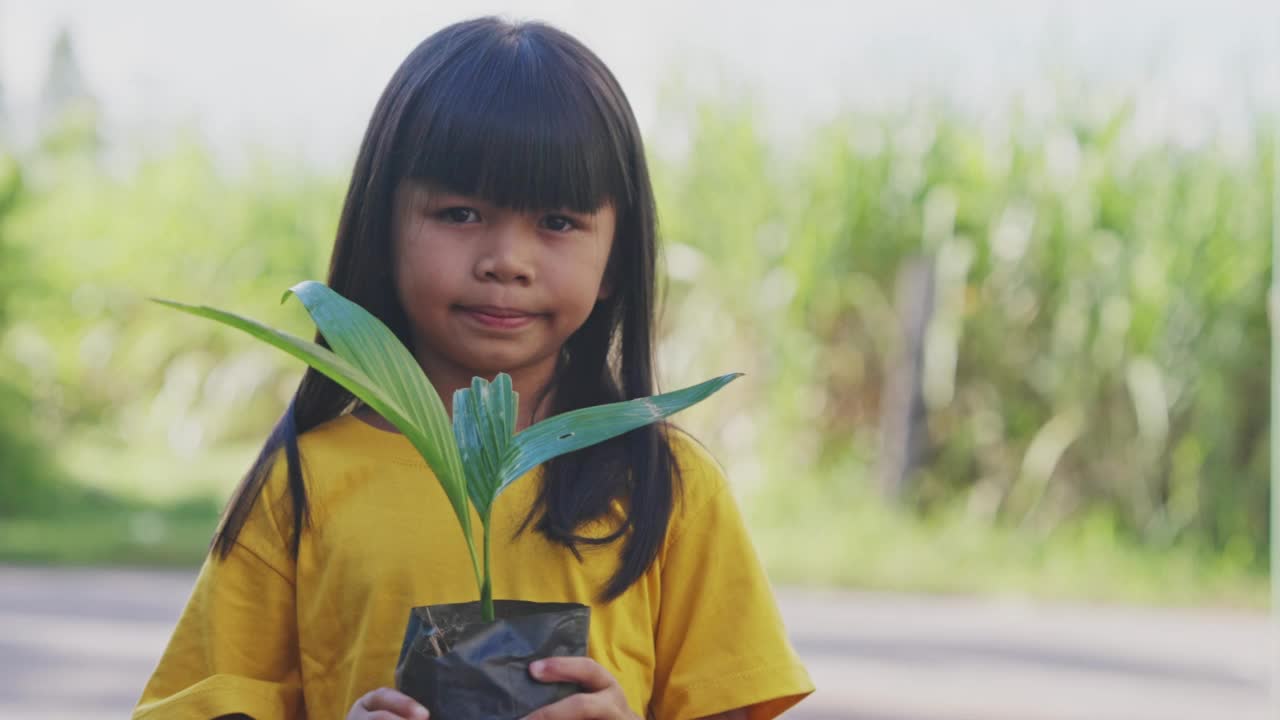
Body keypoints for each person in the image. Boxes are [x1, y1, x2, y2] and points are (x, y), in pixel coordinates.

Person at [134, 16, 813, 720]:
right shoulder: (303, 482)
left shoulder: (666, 487)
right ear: (382, 227)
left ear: (616, 258)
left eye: (557, 223)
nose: (506, 261)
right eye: (460, 213)